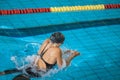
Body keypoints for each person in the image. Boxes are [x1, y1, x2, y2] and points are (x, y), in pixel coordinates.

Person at [11, 32, 80, 80]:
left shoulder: (46, 41)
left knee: (16, 71)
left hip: (32, 66)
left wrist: (64, 52)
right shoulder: (57, 50)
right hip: (39, 73)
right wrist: (73, 56)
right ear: (60, 43)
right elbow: (61, 66)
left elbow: (49, 53)